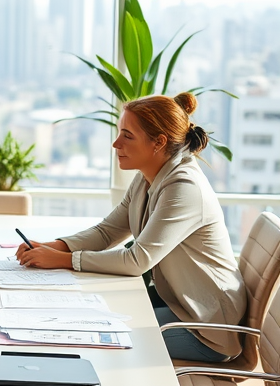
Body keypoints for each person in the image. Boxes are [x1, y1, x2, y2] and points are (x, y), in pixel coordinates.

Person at [15, 93, 247, 362]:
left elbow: (137, 260)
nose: (116, 143)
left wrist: (65, 260)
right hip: (179, 308)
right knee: (91, 322)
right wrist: (55, 246)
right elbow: (107, 231)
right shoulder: (147, 177)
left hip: (208, 330)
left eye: (127, 135)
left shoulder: (184, 188)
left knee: (101, 339)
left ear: (158, 142)